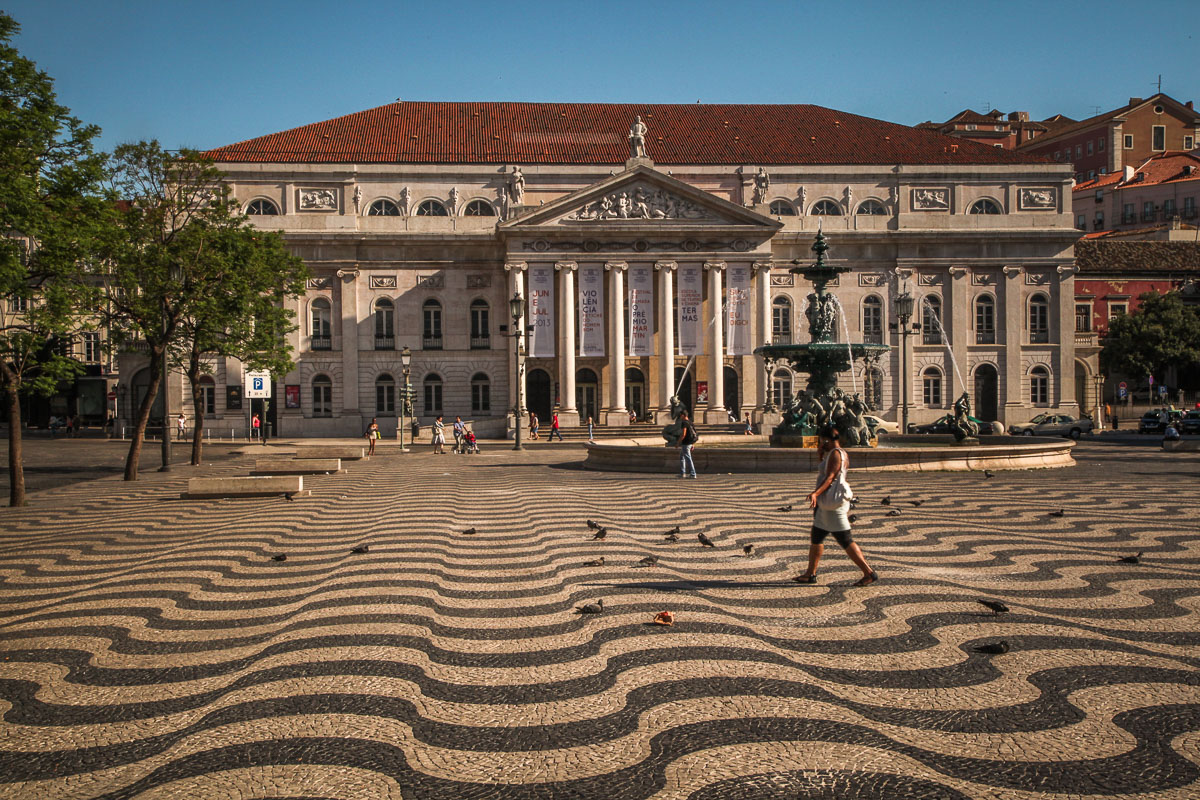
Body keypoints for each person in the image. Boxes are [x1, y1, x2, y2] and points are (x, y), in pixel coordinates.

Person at [794, 426, 877, 586]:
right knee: (817, 537)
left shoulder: (836, 454)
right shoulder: (842, 453)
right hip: (827, 505)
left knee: (845, 539)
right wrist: (820, 454)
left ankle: (868, 572)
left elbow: (831, 477)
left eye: (821, 439)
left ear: (826, 439)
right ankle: (810, 573)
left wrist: (815, 494)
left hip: (832, 505)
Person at [677, 410, 698, 478]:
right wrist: (692, 443)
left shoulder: (684, 423)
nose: (680, 417)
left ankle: (693, 473)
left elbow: (683, 434)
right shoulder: (690, 422)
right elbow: (693, 433)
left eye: (680, 415)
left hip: (686, 443)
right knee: (682, 457)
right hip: (689, 442)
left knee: (688, 458)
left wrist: (678, 442)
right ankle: (683, 473)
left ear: (683, 415)